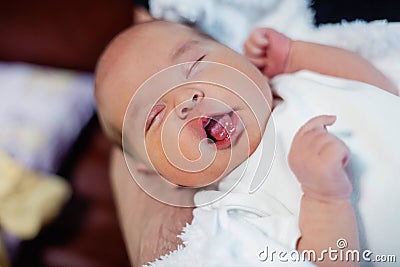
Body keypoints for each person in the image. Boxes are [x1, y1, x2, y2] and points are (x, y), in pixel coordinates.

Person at [95, 20, 398, 266]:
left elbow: (381, 89)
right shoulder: (233, 212)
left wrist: (295, 55)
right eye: (155, 117)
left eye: (195, 63)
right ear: (158, 172)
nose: (186, 101)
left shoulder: (297, 83)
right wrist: (325, 200)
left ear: (238, 55)